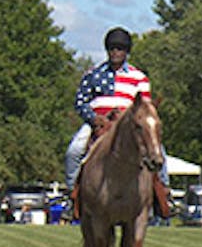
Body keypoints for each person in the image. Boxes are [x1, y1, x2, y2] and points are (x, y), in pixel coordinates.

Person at [63, 26, 169, 217]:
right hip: (99, 123)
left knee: (158, 151)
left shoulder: (139, 77)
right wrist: (93, 118)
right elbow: (80, 102)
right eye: (112, 48)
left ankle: (163, 194)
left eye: (120, 49)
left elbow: (145, 107)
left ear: (126, 52)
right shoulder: (92, 74)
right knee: (74, 151)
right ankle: (73, 195)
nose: (115, 52)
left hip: (128, 126)